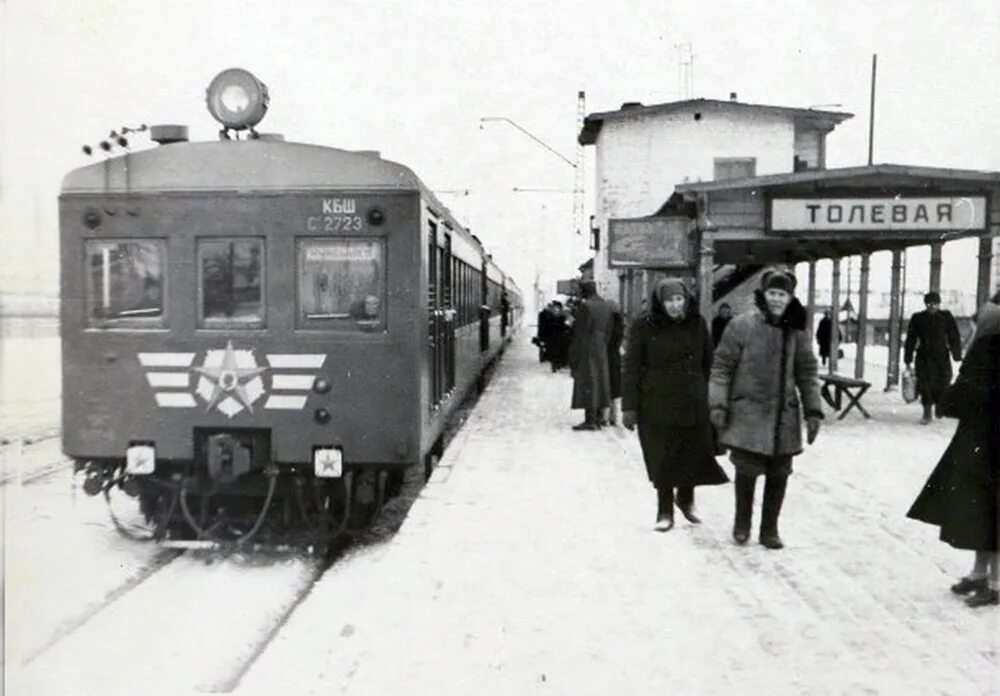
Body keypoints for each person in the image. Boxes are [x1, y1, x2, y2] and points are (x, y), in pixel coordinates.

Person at [710, 267, 823, 549]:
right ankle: (742, 524)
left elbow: (807, 372)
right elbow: (722, 367)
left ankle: (770, 529)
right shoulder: (741, 326)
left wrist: (813, 411)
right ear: (763, 294)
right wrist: (718, 405)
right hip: (748, 412)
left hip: (783, 417)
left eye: (782, 294)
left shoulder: (797, 330)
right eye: (772, 293)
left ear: (789, 297)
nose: (776, 299)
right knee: (746, 471)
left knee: (779, 473)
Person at [907, 292, 1000, 607]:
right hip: (981, 436)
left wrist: (951, 400)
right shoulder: (988, 339)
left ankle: (996, 583)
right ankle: (979, 573)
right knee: (981, 507)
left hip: (990, 438)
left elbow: (972, 387)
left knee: (992, 508)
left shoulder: (990, 343)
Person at [622, 279, 729, 531]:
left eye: (679, 299)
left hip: (693, 400)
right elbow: (631, 368)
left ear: (686, 300)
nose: (674, 305)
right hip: (657, 402)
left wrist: (713, 399)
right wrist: (630, 406)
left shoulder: (698, 323)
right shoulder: (644, 326)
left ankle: (686, 499)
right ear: (660, 301)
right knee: (663, 455)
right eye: (669, 300)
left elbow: (708, 363)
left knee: (693, 451)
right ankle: (664, 510)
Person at [904, 291, 963, 424]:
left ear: (939, 304)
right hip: (924, 357)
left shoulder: (946, 317)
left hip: (941, 356)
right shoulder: (918, 318)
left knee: (944, 382)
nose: (932, 307)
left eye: (935, 304)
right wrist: (908, 359)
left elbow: (954, 336)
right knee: (925, 385)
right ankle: (927, 413)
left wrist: (957, 354)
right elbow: (910, 340)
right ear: (925, 304)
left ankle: (939, 407)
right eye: (929, 304)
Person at [568, 279, 613, 430]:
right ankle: (600, 418)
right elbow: (609, 329)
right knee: (600, 380)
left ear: (585, 290)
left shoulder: (586, 306)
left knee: (588, 381)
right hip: (601, 346)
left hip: (587, 347)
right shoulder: (606, 305)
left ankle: (590, 420)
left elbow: (581, 333)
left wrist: (574, 355)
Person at [604, 300, 625, 426]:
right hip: (615, 357)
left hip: (607, 357)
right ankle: (614, 417)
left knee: (607, 387)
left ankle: (605, 417)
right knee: (615, 389)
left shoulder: (608, 323)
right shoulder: (620, 322)